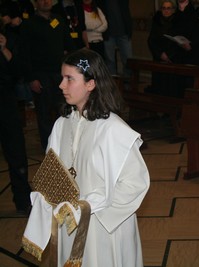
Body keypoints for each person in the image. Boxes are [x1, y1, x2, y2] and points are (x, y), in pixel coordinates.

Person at [22, 48, 150, 266]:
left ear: (91, 84)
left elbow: (135, 184)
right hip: (69, 223)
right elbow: (54, 169)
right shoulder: (62, 125)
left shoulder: (113, 130)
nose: (61, 85)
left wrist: (90, 208)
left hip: (104, 227)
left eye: (69, 79)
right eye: (62, 78)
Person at [20, 0, 75, 150]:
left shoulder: (58, 20)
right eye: (42, 0)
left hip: (60, 74)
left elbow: (69, 44)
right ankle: (49, 147)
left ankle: (64, 145)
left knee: (64, 110)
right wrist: (31, 78)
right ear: (36, 3)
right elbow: (24, 54)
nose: (46, 2)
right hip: (40, 75)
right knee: (44, 113)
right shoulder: (28, 24)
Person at [0, 6, 32, 215]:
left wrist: (4, 49)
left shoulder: (9, 37)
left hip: (5, 101)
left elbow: (19, 70)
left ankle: (23, 199)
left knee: (16, 152)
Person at [96, 0, 132, 77]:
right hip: (108, 34)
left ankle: (128, 82)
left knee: (128, 60)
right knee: (110, 61)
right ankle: (112, 83)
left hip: (123, 33)